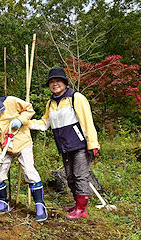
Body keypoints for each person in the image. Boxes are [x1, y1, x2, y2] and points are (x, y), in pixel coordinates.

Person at [29, 67, 100, 219]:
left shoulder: (76, 98)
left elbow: (88, 121)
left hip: (80, 145)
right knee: (70, 177)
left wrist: (93, 143)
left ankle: (82, 210)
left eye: (58, 81)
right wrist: (25, 123)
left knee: (80, 176)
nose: (55, 84)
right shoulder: (51, 103)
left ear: (64, 82)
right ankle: (78, 204)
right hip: (64, 147)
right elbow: (44, 123)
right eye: (52, 82)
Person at [0, 85, 47, 222]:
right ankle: (4, 203)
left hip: (23, 142)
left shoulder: (10, 102)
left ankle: (40, 206)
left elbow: (29, 109)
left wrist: (20, 120)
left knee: (29, 172)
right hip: (4, 147)